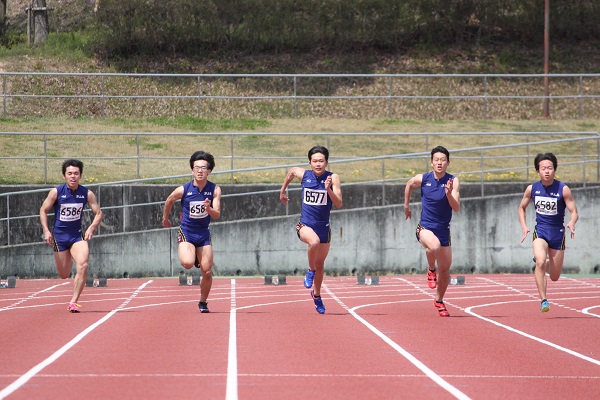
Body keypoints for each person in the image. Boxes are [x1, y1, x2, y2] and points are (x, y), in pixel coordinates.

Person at [279, 146, 343, 314]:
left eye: (321, 161)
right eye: (315, 161)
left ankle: (316, 295)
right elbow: (292, 171)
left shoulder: (333, 177)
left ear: (327, 162)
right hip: (305, 225)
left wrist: (328, 189)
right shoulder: (304, 175)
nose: (318, 164)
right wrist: (282, 190)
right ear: (310, 163)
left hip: (324, 227)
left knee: (321, 264)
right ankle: (310, 270)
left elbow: (338, 203)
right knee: (313, 243)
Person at [40, 159, 103, 313]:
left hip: (76, 236)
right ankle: (69, 279)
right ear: (64, 176)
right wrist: (46, 230)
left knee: (83, 265)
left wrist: (91, 228)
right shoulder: (56, 192)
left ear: (80, 176)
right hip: (59, 238)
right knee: (64, 274)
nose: (73, 176)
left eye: (76, 173)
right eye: (70, 174)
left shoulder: (87, 193)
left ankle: (73, 302)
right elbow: (43, 210)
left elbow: (99, 213)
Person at [518, 152, 578, 313]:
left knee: (555, 276)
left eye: (550, 168)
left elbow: (574, 211)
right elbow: (521, 207)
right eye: (543, 168)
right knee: (539, 261)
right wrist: (524, 225)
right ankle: (543, 300)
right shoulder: (532, 189)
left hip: (558, 234)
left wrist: (572, 222)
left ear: (554, 170)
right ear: (538, 171)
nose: (547, 171)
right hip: (541, 231)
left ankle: (544, 263)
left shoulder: (563, 189)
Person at [404, 146, 460, 317]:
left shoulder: (453, 181)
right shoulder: (424, 178)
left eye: (443, 159)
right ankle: (430, 269)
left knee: (445, 270)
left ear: (448, 163)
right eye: (436, 159)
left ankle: (439, 300)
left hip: (444, 230)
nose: (439, 162)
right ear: (431, 162)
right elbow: (409, 184)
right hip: (425, 227)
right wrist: (406, 206)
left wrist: (449, 194)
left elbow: (456, 207)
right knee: (433, 246)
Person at [162, 151, 222, 313]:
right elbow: (169, 200)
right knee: (188, 263)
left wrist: (208, 208)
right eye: (196, 168)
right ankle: (194, 256)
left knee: (207, 271)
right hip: (187, 232)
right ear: (192, 170)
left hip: (203, 234)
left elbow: (217, 214)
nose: (200, 171)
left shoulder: (215, 190)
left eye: (203, 168)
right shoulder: (184, 189)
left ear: (209, 171)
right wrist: (165, 218)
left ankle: (203, 302)